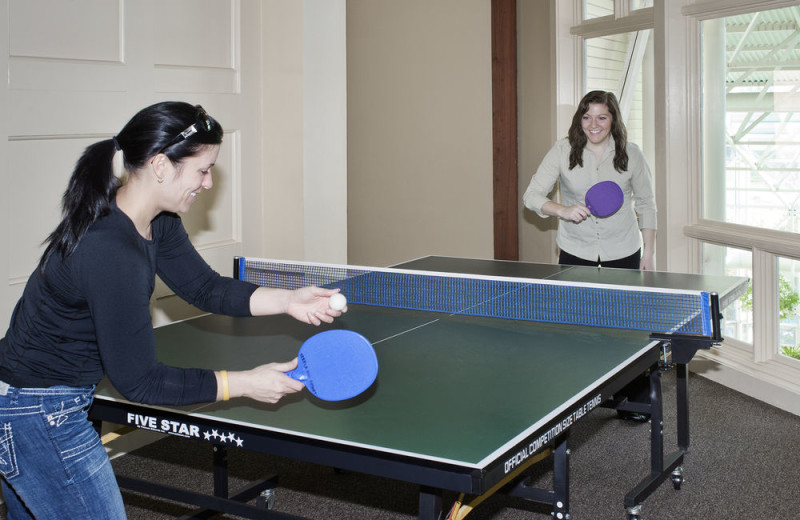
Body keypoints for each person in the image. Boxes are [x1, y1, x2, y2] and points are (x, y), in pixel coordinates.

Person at [0, 101, 346, 519]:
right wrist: (245, 383)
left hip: (31, 402)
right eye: (202, 169)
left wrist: (288, 300)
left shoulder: (153, 218)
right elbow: (140, 382)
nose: (208, 182)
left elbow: (204, 288)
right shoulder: (112, 250)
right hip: (35, 411)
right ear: (161, 166)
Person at [523, 90, 656, 270]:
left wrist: (648, 254)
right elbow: (531, 196)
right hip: (575, 249)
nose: (593, 124)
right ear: (580, 120)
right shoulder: (562, 151)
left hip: (624, 250)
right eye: (587, 117)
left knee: (621, 300)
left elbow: (646, 204)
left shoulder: (632, 154)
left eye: (602, 118)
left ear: (613, 120)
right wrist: (563, 210)